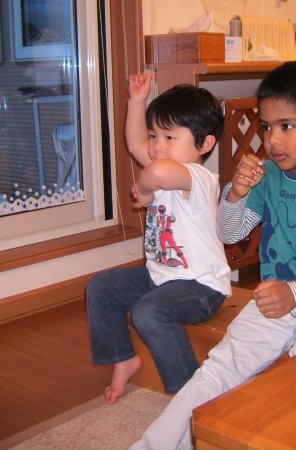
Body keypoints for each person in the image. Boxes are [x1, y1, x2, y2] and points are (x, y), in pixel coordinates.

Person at [130, 61, 296, 449]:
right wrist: (236, 194)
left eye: (287, 126)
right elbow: (230, 233)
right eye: (266, 127)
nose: (272, 140)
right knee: (219, 369)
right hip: (273, 300)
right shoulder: (269, 176)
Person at [86, 73, 231, 404]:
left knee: (148, 313)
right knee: (100, 288)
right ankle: (123, 359)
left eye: (169, 137)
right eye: (154, 135)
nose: (156, 145)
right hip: (159, 277)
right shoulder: (164, 163)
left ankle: (190, 393)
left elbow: (156, 173)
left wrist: (145, 191)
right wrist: (137, 101)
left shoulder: (198, 177)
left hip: (201, 286)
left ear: (204, 144)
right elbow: (135, 144)